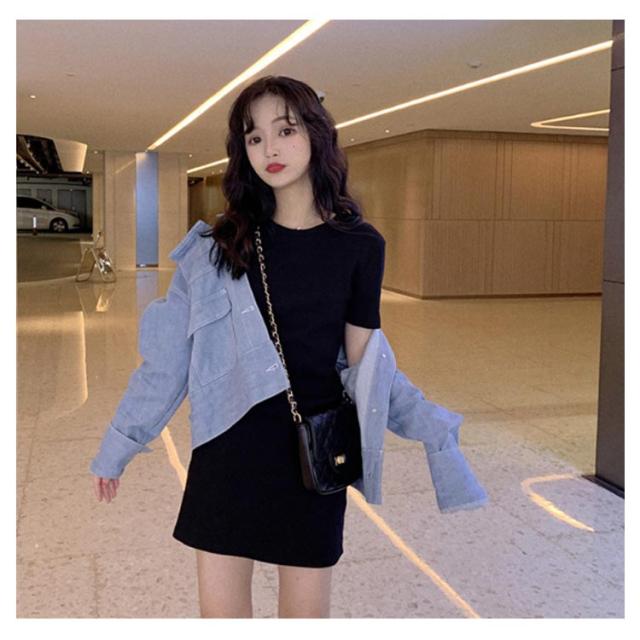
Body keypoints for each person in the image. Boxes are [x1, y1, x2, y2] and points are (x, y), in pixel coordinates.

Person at [91, 75, 386, 618]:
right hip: (228, 451)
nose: (269, 148)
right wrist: (120, 443)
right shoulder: (216, 248)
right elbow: (167, 363)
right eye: (253, 137)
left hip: (312, 454)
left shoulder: (360, 246)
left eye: (285, 130)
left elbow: (365, 369)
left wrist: (424, 431)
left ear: (317, 134)